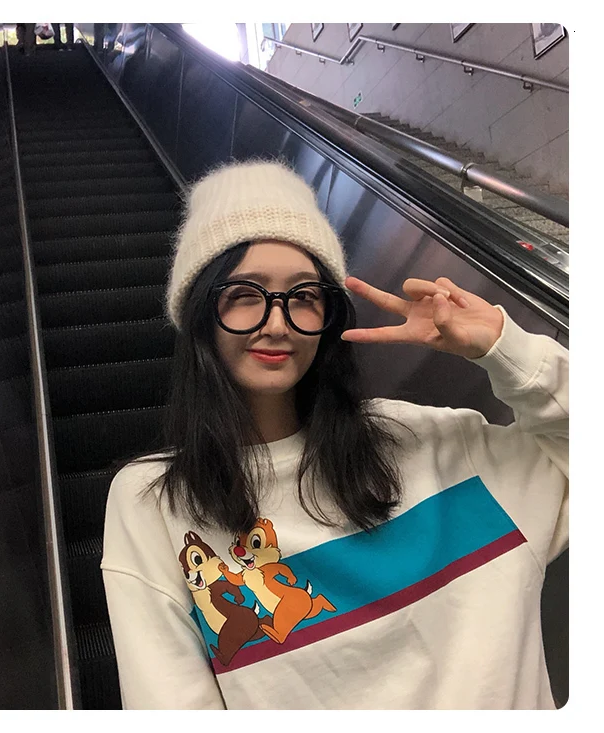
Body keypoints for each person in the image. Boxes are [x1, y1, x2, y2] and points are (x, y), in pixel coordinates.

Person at [100, 160, 568, 709]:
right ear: (201, 314)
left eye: (304, 296)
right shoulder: (155, 502)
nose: (277, 323)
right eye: (244, 293)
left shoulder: (434, 443)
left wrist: (505, 348)